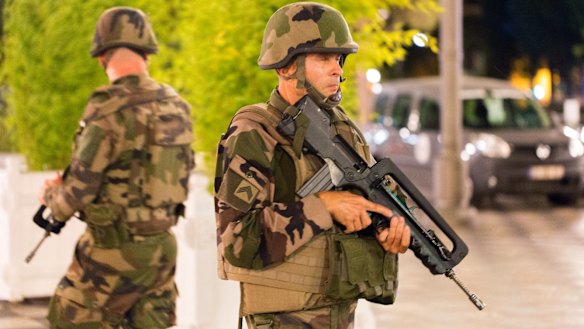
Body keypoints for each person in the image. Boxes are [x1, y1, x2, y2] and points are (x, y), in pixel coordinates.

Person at [214, 2, 410, 328]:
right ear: (285, 66)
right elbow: (236, 242)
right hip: (283, 317)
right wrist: (323, 206)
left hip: (339, 313)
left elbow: (375, 200)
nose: (337, 69)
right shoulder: (256, 130)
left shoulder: (344, 129)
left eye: (339, 59)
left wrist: (388, 228)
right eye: (323, 58)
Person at [39, 6, 194, 329]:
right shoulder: (176, 105)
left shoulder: (107, 108)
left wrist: (52, 194)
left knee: (66, 318)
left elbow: (76, 195)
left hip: (114, 250)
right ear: (147, 54)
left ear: (102, 57)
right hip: (162, 247)